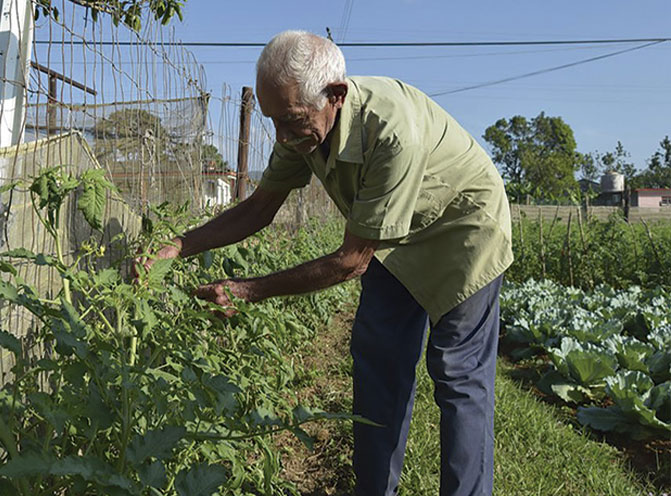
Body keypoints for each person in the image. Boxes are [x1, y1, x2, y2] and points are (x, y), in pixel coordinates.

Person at [139, 30, 512, 496]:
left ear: (336, 95)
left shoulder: (391, 131)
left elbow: (352, 260)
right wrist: (178, 245)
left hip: (462, 231)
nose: (282, 136)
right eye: (273, 121)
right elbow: (259, 208)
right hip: (391, 239)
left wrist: (247, 289)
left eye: (292, 120)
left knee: (458, 378)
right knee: (378, 364)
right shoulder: (302, 128)